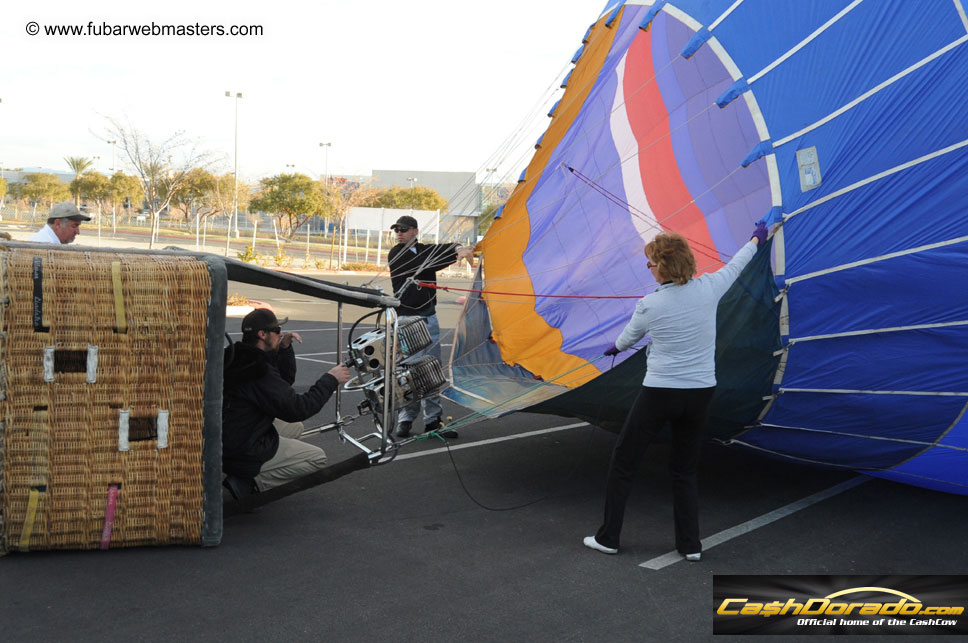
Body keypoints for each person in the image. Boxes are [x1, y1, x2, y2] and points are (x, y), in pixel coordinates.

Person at [584, 223, 769, 559]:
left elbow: (627, 340)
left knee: (624, 462)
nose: (649, 269)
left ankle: (609, 537)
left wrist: (614, 347)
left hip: (659, 393)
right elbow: (738, 263)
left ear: (664, 267)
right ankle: (690, 546)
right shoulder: (710, 287)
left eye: (651, 264)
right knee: (684, 469)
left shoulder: (649, 305)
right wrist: (756, 238)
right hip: (699, 393)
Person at [222, 308, 351, 497]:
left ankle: (246, 470)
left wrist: (283, 350)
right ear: (262, 334)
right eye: (276, 330)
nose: (280, 333)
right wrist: (330, 379)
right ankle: (249, 481)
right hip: (240, 446)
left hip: (228, 433)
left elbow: (281, 383)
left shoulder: (238, 356)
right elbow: (298, 408)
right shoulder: (259, 370)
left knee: (295, 428)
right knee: (316, 458)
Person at [387, 215, 474, 438]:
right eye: (397, 229)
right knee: (408, 371)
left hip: (428, 318)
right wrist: (456, 254)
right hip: (407, 320)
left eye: (404, 229)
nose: (399, 233)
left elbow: (437, 251)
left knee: (431, 369)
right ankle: (406, 418)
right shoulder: (396, 254)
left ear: (415, 231)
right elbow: (425, 262)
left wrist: (459, 247)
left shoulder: (425, 250)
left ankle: (432, 420)